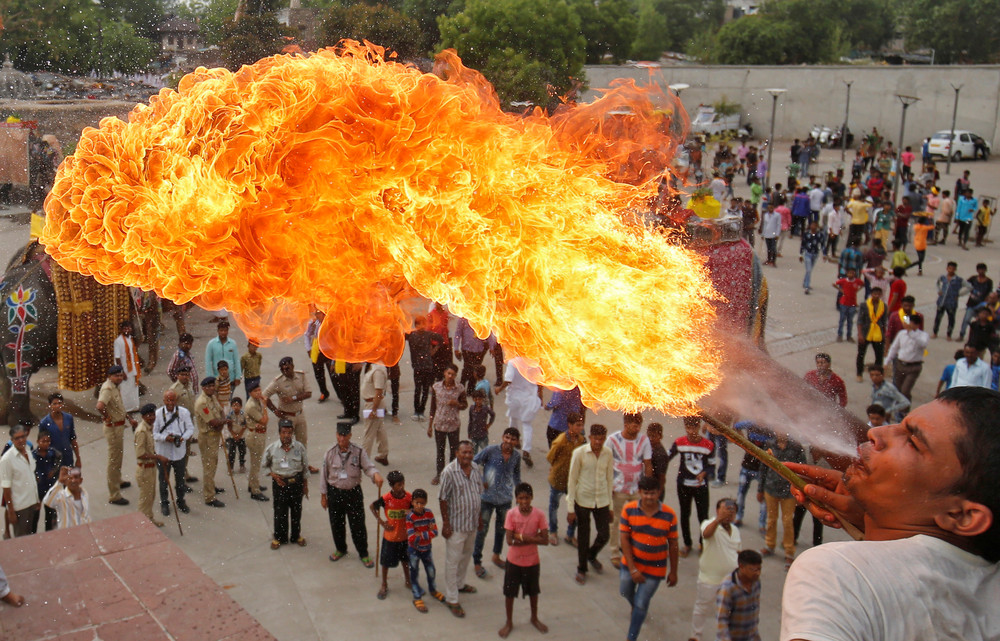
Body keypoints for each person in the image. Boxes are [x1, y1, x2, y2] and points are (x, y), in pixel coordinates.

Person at [781, 389, 1000, 641]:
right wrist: (873, 522)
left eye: (913, 442)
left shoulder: (839, 574)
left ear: (963, 516)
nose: (876, 432)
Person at [618, 475, 679, 641]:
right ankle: (636, 607)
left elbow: (673, 544)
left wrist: (673, 572)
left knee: (641, 603)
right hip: (631, 564)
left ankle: (632, 637)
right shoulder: (629, 509)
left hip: (655, 569)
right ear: (639, 492)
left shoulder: (669, 515)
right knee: (624, 591)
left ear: (659, 493)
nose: (649, 497)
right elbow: (624, 539)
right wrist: (632, 569)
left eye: (652, 493)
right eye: (646, 493)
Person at [321, 421, 383, 565]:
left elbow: (368, 467)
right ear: (336, 435)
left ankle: (363, 553)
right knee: (336, 524)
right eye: (339, 435)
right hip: (335, 493)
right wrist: (323, 496)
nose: (342, 439)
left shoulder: (358, 451)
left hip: (353, 493)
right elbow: (324, 476)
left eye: (344, 435)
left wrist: (376, 475)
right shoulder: (330, 453)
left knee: (358, 525)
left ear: (350, 435)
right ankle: (340, 549)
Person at [497, 482, 549, 638]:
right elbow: (509, 541)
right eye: (521, 498)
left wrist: (523, 537)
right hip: (513, 561)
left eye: (527, 498)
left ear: (531, 498)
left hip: (532, 561)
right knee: (510, 593)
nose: (524, 502)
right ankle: (509, 622)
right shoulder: (511, 514)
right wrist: (533, 538)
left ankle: (534, 617)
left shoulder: (539, 515)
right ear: (516, 499)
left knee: (533, 591)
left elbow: (546, 540)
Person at [438, 440, 483, 618]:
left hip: (471, 523)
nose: (467, 456)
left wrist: (479, 518)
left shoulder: (475, 469)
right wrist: (446, 524)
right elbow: (442, 499)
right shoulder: (449, 472)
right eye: (464, 452)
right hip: (456, 526)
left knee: (466, 556)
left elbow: (478, 494)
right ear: (456, 453)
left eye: (470, 452)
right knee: (453, 561)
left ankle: (460, 584)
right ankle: (451, 598)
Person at [566, 423, 614, 585]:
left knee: (604, 535)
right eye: (596, 439)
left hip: (601, 500)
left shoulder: (608, 453)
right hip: (583, 500)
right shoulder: (579, 453)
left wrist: (611, 506)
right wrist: (570, 508)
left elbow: (609, 479)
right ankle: (582, 567)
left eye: (602, 439)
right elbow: (572, 480)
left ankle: (591, 555)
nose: (598, 442)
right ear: (590, 438)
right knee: (583, 536)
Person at [472, 427, 522, 579]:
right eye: (507, 437)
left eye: (513, 439)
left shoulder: (516, 457)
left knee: (501, 529)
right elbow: (474, 463)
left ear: (516, 442)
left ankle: (496, 555)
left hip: (505, 499)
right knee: (482, 530)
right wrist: (481, 481)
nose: (509, 441)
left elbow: (516, 475)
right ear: (502, 437)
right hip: (487, 498)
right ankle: (477, 562)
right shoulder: (490, 450)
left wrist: (519, 494)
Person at [690, 498, 740, 641]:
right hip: (709, 579)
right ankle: (695, 636)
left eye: (732, 512)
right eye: (725, 510)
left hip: (730, 581)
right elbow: (706, 534)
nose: (728, 514)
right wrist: (718, 520)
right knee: (702, 608)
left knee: (728, 612)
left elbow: (737, 551)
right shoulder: (709, 524)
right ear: (717, 511)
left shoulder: (735, 530)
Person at [608, 413, 653, 567]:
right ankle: (614, 552)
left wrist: (647, 488)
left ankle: (634, 551)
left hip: (636, 489)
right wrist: (608, 486)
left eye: (639, 425)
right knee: (615, 522)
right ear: (626, 424)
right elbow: (605, 463)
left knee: (637, 521)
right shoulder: (613, 440)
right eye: (634, 424)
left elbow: (647, 464)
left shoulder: (644, 440)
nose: (637, 428)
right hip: (618, 488)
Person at [666, 416, 713, 557]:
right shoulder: (680, 442)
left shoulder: (708, 445)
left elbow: (712, 466)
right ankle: (687, 543)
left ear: (698, 427)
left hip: (701, 486)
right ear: (685, 427)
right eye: (688, 427)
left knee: (703, 515)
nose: (691, 431)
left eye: (694, 427)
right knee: (685, 514)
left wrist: (704, 473)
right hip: (683, 485)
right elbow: (667, 457)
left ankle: (702, 542)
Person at [757, 434, 806, 568]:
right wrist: (760, 489)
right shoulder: (769, 444)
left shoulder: (796, 447)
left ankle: (789, 552)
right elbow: (763, 467)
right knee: (771, 519)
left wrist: (800, 491)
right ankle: (769, 545)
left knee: (787, 521)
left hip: (789, 491)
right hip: (770, 487)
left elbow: (802, 470)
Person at [263, 357, 317, 473]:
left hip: (299, 414)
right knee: (286, 443)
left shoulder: (301, 376)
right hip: (287, 417)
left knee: (302, 442)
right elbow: (264, 396)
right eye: (282, 369)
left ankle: (304, 465)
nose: (285, 371)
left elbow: (308, 393)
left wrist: (293, 398)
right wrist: (275, 411)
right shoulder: (278, 382)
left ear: (292, 366)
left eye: (287, 368)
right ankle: (287, 466)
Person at [262, 418, 309, 549]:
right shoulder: (272, 449)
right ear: (279, 433)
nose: (286, 435)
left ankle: (296, 536)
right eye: (284, 432)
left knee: (296, 511)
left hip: (296, 483)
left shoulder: (299, 448)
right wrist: (273, 475)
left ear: (292, 433)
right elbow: (264, 466)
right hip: (280, 484)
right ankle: (279, 538)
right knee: (279, 511)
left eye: (289, 432)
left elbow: (305, 467)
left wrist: (305, 485)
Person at [97, 365, 136, 506]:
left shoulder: (115, 387)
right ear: (109, 376)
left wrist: (128, 418)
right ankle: (114, 494)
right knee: (114, 460)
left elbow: (118, 406)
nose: (119, 378)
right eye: (116, 376)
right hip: (113, 428)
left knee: (118, 456)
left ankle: (118, 481)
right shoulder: (107, 389)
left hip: (119, 426)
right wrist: (106, 417)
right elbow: (100, 406)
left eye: (120, 375)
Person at [370, 469, 412, 600]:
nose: (401, 487)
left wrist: (411, 512)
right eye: (398, 485)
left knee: (406, 560)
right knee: (386, 563)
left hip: (405, 536)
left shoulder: (409, 497)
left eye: (403, 483)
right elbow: (372, 507)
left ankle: (408, 581)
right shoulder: (386, 498)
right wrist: (382, 522)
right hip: (390, 537)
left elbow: (416, 508)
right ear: (392, 486)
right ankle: (384, 584)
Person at [154, 389, 194, 517]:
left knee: (180, 480)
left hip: (179, 452)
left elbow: (190, 428)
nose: (170, 402)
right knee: (163, 480)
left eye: (173, 400)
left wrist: (182, 437)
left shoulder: (184, 412)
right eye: (168, 400)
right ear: (164, 400)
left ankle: (181, 501)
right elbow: (154, 434)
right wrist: (166, 438)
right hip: (163, 453)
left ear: (176, 401)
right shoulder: (158, 414)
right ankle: (164, 503)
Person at [546, 412, 584, 546]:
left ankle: (570, 534)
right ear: (570, 425)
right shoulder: (561, 440)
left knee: (574, 509)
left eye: (581, 425)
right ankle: (553, 532)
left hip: (573, 481)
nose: (580, 428)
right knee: (554, 506)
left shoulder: (581, 441)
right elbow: (550, 456)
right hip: (558, 479)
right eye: (577, 425)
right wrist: (555, 466)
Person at [497, 358, 543, 468]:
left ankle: (511, 444)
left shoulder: (513, 362)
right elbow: (540, 381)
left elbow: (508, 380)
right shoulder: (534, 361)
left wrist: (499, 388)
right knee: (527, 424)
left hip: (515, 397)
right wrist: (540, 396)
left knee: (513, 419)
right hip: (529, 397)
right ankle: (526, 450)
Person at [406, 487, 445, 613]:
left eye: (422, 503)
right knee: (414, 573)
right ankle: (417, 596)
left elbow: (435, 531)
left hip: (427, 549)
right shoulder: (410, 517)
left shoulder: (429, 513)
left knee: (431, 571)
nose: (419, 505)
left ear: (425, 503)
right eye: (417, 503)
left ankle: (433, 590)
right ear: (412, 502)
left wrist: (420, 535)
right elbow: (411, 538)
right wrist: (426, 534)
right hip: (414, 551)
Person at [428, 364, 467, 485]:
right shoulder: (436, 387)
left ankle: (452, 475)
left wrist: (457, 404)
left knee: (454, 451)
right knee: (440, 451)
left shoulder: (459, 389)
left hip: (453, 425)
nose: (450, 376)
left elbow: (464, 405)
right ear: (444, 373)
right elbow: (433, 407)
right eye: (448, 373)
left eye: (453, 374)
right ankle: (440, 474)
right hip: (439, 424)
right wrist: (430, 425)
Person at [194, 376, 228, 508]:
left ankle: (211, 486)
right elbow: (212, 422)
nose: (211, 388)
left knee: (213, 463)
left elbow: (221, 412)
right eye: (208, 386)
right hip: (207, 437)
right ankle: (209, 496)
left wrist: (222, 422)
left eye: (213, 386)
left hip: (215, 436)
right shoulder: (202, 402)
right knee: (209, 467)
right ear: (203, 388)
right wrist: (222, 423)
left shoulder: (212, 397)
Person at [0, 425, 39, 536]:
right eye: (17, 438)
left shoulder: (28, 449)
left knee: (30, 534)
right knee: (21, 539)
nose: (21, 440)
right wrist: (11, 512)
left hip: (32, 503)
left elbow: (31, 475)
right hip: (20, 507)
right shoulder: (7, 459)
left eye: (23, 436)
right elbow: (6, 488)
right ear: (12, 440)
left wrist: (36, 499)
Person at [717, 550, 763, 641]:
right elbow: (722, 619)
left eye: (759, 569)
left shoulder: (756, 582)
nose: (758, 573)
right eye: (753, 570)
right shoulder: (728, 588)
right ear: (741, 566)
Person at [886, 311, 930, 401]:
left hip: (913, 367)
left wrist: (911, 333)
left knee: (905, 390)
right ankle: (898, 408)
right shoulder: (901, 334)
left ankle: (904, 410)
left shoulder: (923, 335)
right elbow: (894, 348)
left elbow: (923, 344)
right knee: (896, 389)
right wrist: (886, 361)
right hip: (900, 364)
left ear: (916, 325)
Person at [134, 404, 166, 527]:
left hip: (151, 468)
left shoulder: (150, 428)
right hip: (144, 469)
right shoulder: (141, 431)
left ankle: (149, 519)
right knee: (145, 500)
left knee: (151, 496)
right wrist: (158, 457)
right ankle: (142, 526)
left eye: (153, 415)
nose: (152, 417)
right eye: (149, 415)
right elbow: (140, 454)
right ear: (143, 416)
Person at [406, 315, 442, 421]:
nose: (422, 326)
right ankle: (416, 411)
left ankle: (421, 411)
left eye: (423, 323)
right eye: (419, 324)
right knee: (418, 389)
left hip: (427, 366)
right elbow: (399, 335)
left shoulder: (428, 334)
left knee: (425, 389)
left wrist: (434, 350)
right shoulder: (411, 335)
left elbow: (440, 339)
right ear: (416, 325)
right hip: (417, 366)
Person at [38, 393, 81, 469]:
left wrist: (78, 458)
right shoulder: (44, 423)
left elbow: (73, 439)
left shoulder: (69, 418)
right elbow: (42, 444)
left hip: (68, 457)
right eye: (54, 404)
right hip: (53, 460)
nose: (57, 406)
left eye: (59, 403)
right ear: (50, 405)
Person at [360, 361, 390, 465]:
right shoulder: (373, 367)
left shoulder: (378, 370)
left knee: (368, 432)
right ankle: (383, 454)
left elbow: (378, 392)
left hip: (373, 404)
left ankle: (363, 460)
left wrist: (374, 409)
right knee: (379, 429)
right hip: (373, 403)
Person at [244, 381, 270, 501]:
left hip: (259, 434)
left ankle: (252, 484)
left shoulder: (257, 401)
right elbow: (264, 421)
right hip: (255, 436)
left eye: (259, 390)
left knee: (256, 462)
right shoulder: (251, 406)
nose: (259, 392)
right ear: (250, 393)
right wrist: (265, 406)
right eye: (255, 391)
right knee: (255, 464)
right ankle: (255, 490)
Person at [855, 286, 887, 381]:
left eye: (878, 294)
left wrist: (884, 335)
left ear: (881, 295)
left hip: (878, 333)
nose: (876, 296)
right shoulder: (864, 305)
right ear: (871, 294)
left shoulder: (883, 306)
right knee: (861, 354)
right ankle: (859, 373)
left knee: (879, 355)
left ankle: (877, 374)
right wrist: (860, 334)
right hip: (866, 332)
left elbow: (884, 321)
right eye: (874, 294)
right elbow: (860, 320)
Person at [32, 429, 61, 531]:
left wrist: (54, 470)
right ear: (37, 441)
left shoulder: (52, 453)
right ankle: (33, 535)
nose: (46, 444)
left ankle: (48, 533)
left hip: (49, 487)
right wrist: (35, 475)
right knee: (35, 515)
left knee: (50, 514)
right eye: (43, 441)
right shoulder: (33, 455)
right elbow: (29, 468)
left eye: (48, 441)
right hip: (38, 488)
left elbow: (59, 458)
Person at [959, 263, 993, 341]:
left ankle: (977, 337)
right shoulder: (973, 279)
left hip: (981, 305)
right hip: (971, 304)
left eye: (982, 270)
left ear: (985, 270)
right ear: (977, 270)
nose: (981, 271)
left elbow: (989, 292)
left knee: (980, 322)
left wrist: (986, 303)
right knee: (966, 320)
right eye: (979, 269)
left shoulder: (988, 281)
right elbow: (965, 284)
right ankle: (961, 335)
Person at [113, 320, 141, 413]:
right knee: (125, 390)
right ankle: (126, 409)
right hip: (125, 370)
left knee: (133, 388)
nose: (126, 330)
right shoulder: (118, 341)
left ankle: (134, 407)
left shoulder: (130, 339)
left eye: (128, 328)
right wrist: (121, 372)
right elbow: (117, 358)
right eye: (124, 328)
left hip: (133, 369)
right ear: (121, 330)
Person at [204, 320, 242, 390]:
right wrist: (209, 378)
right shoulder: (211, 344)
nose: (223, 333)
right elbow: (208, 362)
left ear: (228, 331)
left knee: (229, 399)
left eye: (225, 330)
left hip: (231, 379)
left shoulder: (233, 343)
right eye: (221, 330)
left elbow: (236, 360)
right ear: (218, 331)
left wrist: (238, 377)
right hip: (217, 379)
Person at [934, 261, 968, 339]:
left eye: (953, 269)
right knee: (938, 318)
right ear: (947, 268)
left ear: (955, 269)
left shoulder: (959, 280)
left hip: (952, 302)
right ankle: (935, 332)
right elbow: (937, 283)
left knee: (951, 319)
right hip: (942, 301)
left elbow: (969, 287)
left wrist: (959, 294)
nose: (951, 270)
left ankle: (949, 334)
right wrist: (939, 290)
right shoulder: (942, 277)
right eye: (950, 268)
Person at [304, 310, 333, 402]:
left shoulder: (330, 322)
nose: (317, 315)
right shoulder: (313, 323)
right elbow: (307, 335)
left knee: (333, 374)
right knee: (318, 373)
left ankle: (341, 395)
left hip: (328, 349)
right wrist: (308, 348)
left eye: (319, 313)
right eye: (316, 313)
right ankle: (324, 392)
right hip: (317, 349)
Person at [834, 267, 864, 342]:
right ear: (847, 274)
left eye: (852, 273)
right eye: (849, 273)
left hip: (852, 304)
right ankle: (840, 335)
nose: (851, 274)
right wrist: (841, 290)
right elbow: (835, 284)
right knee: (842, 320)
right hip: (844, 303)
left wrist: (857, 290)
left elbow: (863, 284)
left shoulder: (857, 281)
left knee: (850, 321)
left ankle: (849, 336)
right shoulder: (844, 281)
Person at [467, 389, 495, 454]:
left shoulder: (485, 408)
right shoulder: (471, 408)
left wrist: (489, 424)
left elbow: (493, 415)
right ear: (473, 399)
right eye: (476, 399)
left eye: (479, 399)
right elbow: (470, 421)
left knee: (485, 451)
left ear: (482, 399)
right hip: (474, 434)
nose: (478, 401)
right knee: (474, 452)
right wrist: (469, 432)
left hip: (483, 434)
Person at [224, 396, 247, 473]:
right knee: (231, 452)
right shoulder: (230, 415)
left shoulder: (243, 415)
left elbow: (244, 426)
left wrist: (239, 435)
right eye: (234, 405)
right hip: (232, 436)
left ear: (241, 406)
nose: (236, 407)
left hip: (241, 436)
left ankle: (242, 465)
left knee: (242, 451)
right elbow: (229, 427)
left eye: (237, 405)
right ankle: (231, 467)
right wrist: (234, 435)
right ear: (231, 406)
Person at [799, 220, 822, 294]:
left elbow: (822, 244)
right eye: (812, 225)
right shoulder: (806, 234)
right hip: (807, 253)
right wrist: (800, 254)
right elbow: (803, 244)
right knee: (808, 270)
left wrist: (824, 254)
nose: (813, 227)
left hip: (815, 254)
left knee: (809, 270)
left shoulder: (819, 235)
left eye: (815, 225)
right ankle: (807, 286)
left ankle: (805, 281)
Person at [647, 422, 669, 498]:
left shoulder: (661, 454)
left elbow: (662, 477)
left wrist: (659, 492)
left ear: (660, 436)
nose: (650, 439)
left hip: (655, 489)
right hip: (648, 487)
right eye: (649, 436)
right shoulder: (649, 447)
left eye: (653, 436)